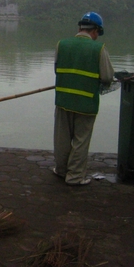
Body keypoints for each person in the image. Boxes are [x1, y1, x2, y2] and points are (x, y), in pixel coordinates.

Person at [53, 12, 114, 186]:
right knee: (81, 140)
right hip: (86, 102)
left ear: (80, 27)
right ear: (95, 31)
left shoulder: (61, 44)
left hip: (63, 99)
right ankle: (75, 176)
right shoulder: (99, 49)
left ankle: (61, 170)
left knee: (62, 138)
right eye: (97, 33)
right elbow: (108, 77)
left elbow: (57, 70)